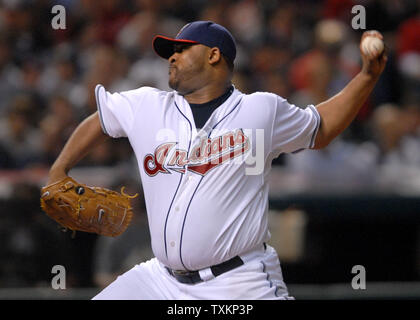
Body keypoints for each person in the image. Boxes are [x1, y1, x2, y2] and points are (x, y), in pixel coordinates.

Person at [45, 21, 387, 299]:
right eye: (171, 51)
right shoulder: (148, 105)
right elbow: (101, 120)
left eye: (182, 49)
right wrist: (59, 171)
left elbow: (321, 126)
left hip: (239, 281)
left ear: (213, 55)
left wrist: (367, 77)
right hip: (160, 281)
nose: (172, 57)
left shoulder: (260, 110)